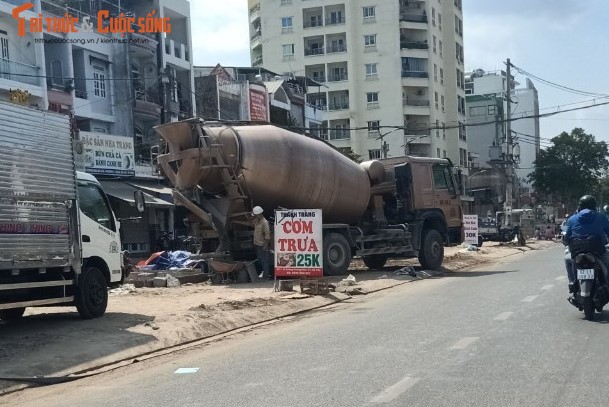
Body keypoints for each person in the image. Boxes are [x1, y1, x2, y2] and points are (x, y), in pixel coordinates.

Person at [563, 195, 609, 293]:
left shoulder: (572, 219)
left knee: (567, 260)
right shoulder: (601, 217)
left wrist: (566, 241)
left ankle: (572, 283)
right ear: (594, 206)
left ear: (580, 206)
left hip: (577, 251)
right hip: (598, 251)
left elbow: (567, 237)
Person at [251, 206, 271, 279]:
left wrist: (265, 246)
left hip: (262, 245)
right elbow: (251, 223)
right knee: (260, 260)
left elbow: (267, 236)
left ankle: (265, 276)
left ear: (259, 214)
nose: (255, 217)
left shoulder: (265, 223)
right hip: (257, 245)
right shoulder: (257, 221)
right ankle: (263, 274)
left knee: (265, 261)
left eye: (256, 215)